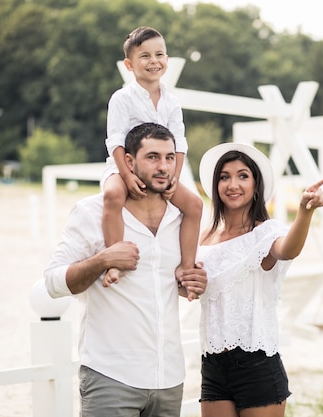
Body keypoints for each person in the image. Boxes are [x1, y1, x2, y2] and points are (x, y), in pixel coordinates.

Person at [45, 123, 207, 417]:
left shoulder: (182, 218)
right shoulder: (92, 212)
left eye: (170, 158)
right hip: (111, 378)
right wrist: (102, 260)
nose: (164, 167)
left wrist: (192, 282)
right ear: (129, 162)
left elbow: (175, 285)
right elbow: (53, 282)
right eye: (153, 157)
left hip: (170, 379)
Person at [195, 142, 323, 417]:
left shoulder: (266, 234)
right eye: (224, 176)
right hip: (212, 366)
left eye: (243, 176)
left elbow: (288, 249)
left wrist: (304, 210)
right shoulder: (203, 238)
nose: (233, 184)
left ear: (256, 186)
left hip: (257, 364)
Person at [102, 26, 202, 298]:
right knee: (112, 195)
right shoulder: (122, 98)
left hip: (162, 170)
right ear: (129, 64)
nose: (153, 61)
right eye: (144, 56)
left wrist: (174, 177)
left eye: (159, 54)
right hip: (125, 164)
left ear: (167, 60)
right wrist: (127, 174)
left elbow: (179, 142)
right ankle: (114, 260)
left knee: (194, 205)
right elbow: (116, 140)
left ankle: (186, 264)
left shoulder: (171, 101)